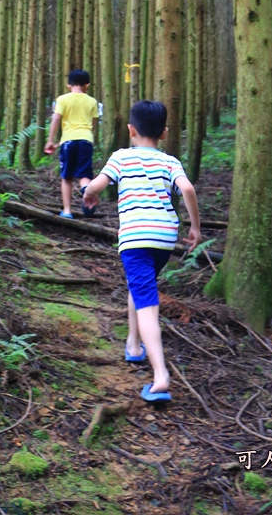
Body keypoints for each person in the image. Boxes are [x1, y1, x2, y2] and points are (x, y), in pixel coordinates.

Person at [82, 100, 201, 404]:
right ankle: (134, 345)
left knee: (147, 300)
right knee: (141, 285)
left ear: (130, 130)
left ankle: (160, 376)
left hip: (135, 237)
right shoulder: (170, 161)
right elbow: (187, 189)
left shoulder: (121, 158)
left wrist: (89, 196)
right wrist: (194, 227)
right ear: (164, 133)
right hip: (163, 238)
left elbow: (95, 186)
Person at [44, 68, 99, 219]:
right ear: (87, 85)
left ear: (69, 85)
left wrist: (50, 140)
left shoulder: (62, 99)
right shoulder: (92, 102)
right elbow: (93, 124)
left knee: (67, 177)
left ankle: (67, 211)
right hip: (86, 140)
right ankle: (87, 190)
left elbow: (56, 119)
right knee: (84, 174)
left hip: (68, 141)